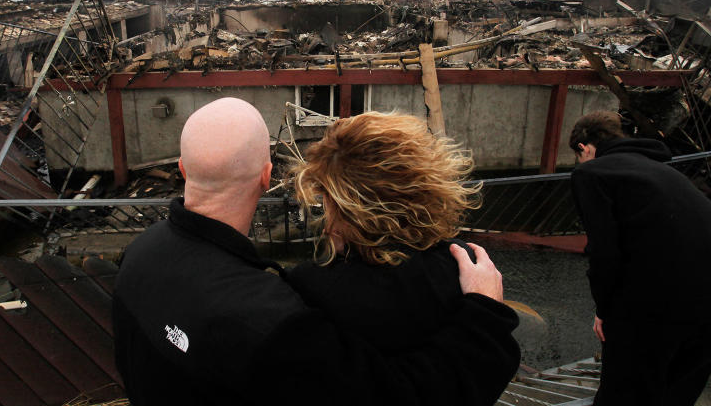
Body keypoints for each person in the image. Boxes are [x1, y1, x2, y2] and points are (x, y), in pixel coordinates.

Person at [113, 98, 521, 406]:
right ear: (266, 175)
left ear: (182, 169)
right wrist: (485, 313)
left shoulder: (139, 255)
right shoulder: (271, 319)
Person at [285, 112, 520, 397]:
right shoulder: (464, 267)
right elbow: (494, 365)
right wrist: (486, 308)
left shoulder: (309, 289)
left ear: (344, 205)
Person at [568, 111, 711, 406]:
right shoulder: (666, 173)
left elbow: (604, 252)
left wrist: (605, 310)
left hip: (658, 307)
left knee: (622, 396)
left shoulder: (592, 173)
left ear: (584, 148)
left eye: (578, 156)